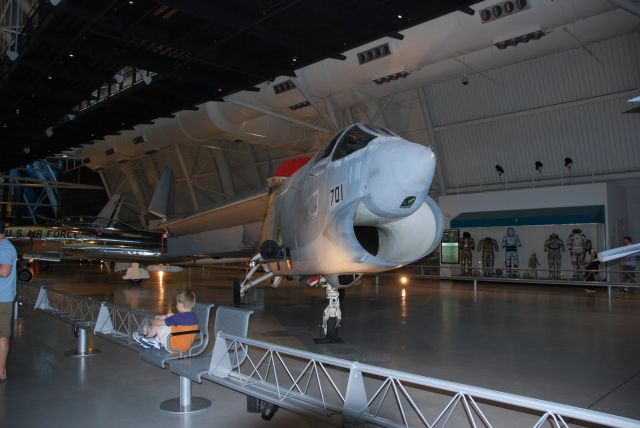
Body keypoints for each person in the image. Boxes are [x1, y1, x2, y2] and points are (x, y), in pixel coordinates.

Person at [133, 290, 198, 350]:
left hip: (173, 346)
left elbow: (158, 323)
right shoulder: (194, 317)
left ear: (181, 304)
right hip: (186, 346)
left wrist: (153, 320)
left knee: (161, 319)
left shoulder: (177, 317)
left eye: (177, 303)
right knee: (170, 315)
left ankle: (149, 339)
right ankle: (153, 339)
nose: (176, 305)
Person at [0, 223, 17, 381]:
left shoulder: (4, 248)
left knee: (2, 335)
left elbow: (4, 271)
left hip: (2, 299)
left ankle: (1, 371)